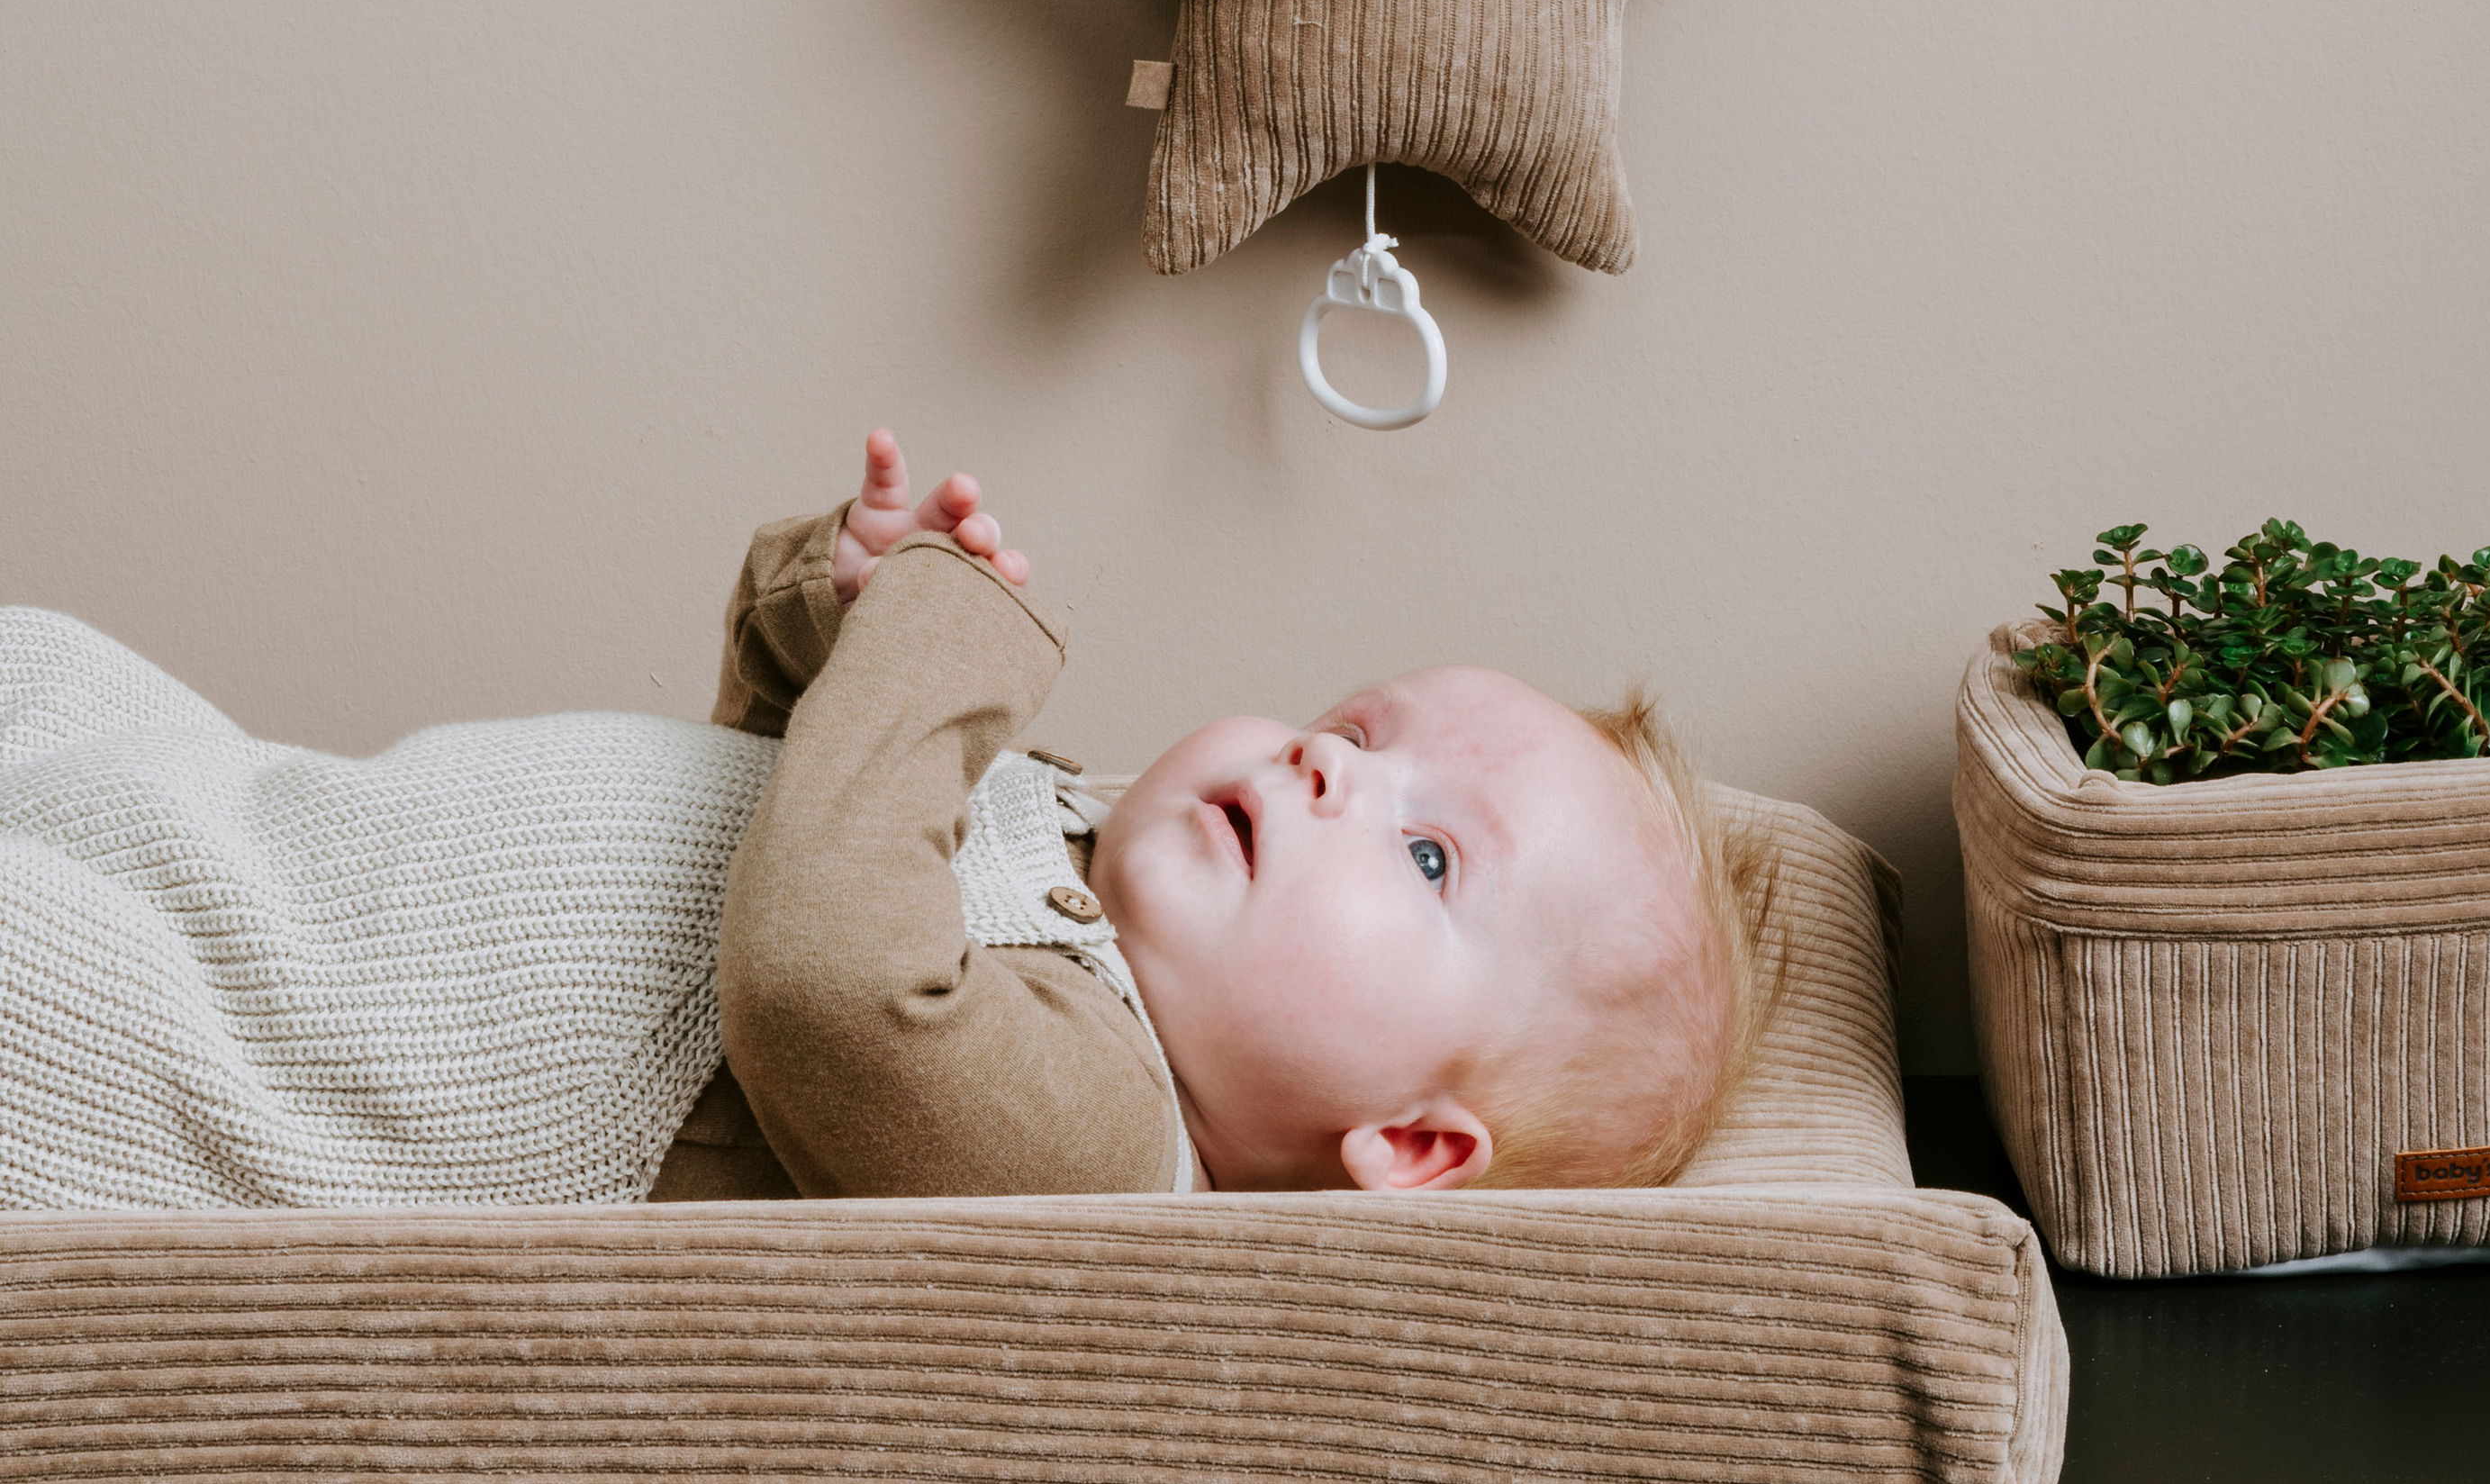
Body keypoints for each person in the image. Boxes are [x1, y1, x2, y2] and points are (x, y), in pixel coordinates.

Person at [0, 435, 1752, 1211]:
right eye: (1352, 729)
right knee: (57, 677)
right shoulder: (1071, 856)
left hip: (245, 1043)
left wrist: (954, 646)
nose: (1327, 773)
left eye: (1429, 858)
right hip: (282, 842)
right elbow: (769, 829)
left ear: (1412, 1147)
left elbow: (821, 980)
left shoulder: (1094, 1140)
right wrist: (826, 633)